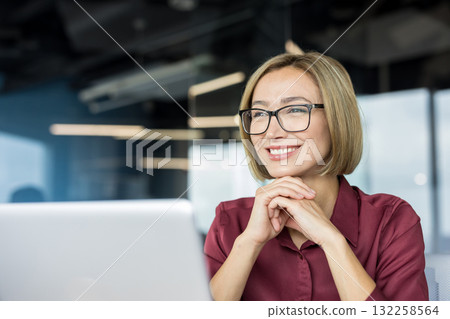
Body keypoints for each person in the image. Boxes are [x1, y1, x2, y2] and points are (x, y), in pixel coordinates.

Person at [204, 52, 429, 301]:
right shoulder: (230, 223)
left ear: (336, 119)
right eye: (259, 114)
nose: (272, 131)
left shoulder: (391, 221)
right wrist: (248, 244)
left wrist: (332, 241)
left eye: (295, 110)